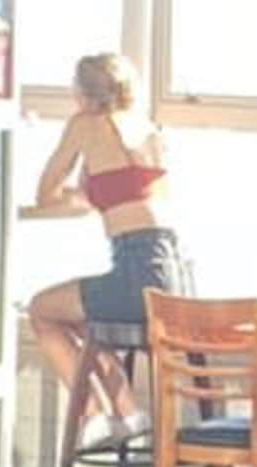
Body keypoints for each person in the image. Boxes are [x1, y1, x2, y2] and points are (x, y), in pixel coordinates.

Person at [20, 54, 186, 378]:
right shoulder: (146, 128)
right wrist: (88, 191)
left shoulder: (86, 123)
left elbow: (46, 192)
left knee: (41, 309)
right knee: (81, 317)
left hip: (135, 274)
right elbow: (126, 196)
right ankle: (124, 414)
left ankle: (101, 414)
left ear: (81, 94)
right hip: (172, 276)